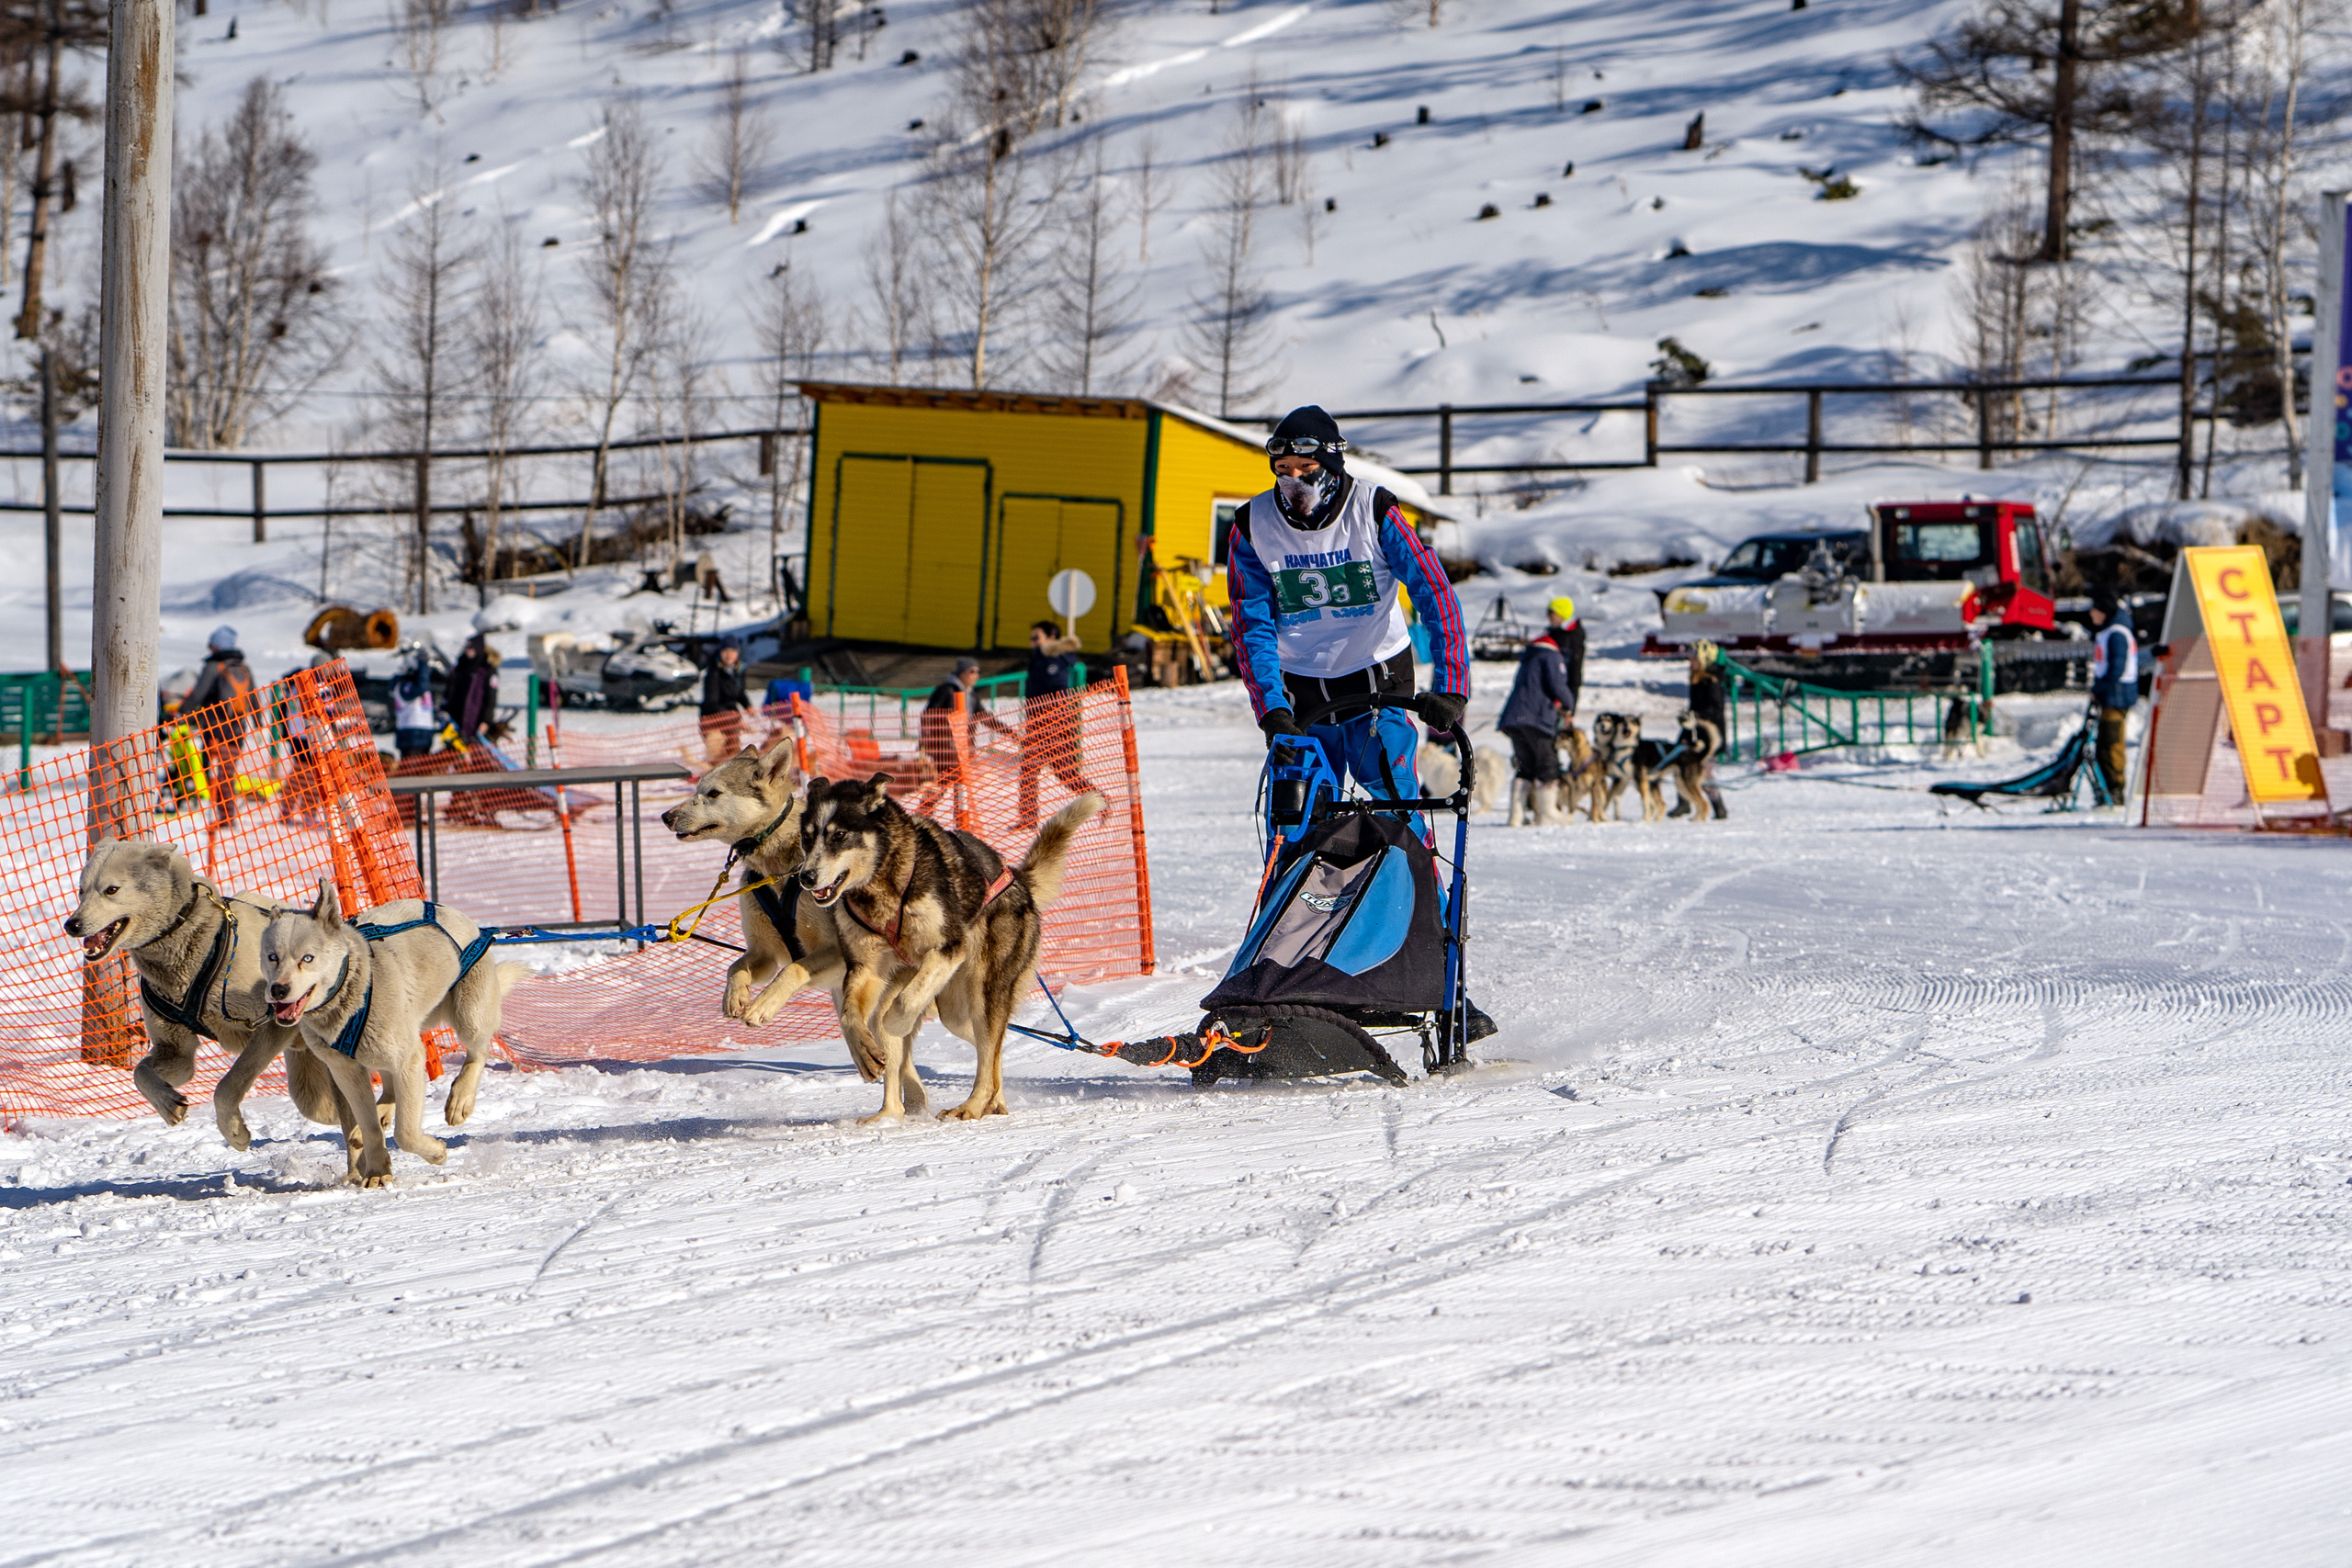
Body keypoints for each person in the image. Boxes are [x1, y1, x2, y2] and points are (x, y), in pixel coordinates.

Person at [1226, 404, 1471, 816]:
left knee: (1397, 806)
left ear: (1331, 466)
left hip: (1377, 674)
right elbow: (1252, 625)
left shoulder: (1373, 511)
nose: (1293, 478)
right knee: (1296, 818)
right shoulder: (1253, 525)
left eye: (1305, 467)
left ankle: (1411, 873)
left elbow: (1434, 592)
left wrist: (1451, 686)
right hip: (1299, 689)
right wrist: (1270, 708)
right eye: (1282, 468)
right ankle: (1301, 880)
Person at [1498, 597, 1577, 807]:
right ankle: (1547, 813)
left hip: (1514, 717)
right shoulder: (1551, 656)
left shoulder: (1531, 655)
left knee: (1525, 767)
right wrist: (1569, 706)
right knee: (1548, 766)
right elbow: (1558, 686)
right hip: (1537, 719)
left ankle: (1516, 815)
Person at [1018, 621, 1098, 830]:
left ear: (1051, 638)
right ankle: (1028, 819)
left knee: (1064, 773)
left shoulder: (1053, 659)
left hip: (1053, 725)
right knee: (1030, 770)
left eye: (1036, 637)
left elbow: (1057, 691)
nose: (1032, 642)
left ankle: (1100, 801)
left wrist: (1050, 723)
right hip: (1036, 723)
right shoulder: (1039, 659)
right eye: (1031, 638)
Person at [182, 625, 257, 819]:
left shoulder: (214, 667)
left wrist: (181, 712)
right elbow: (254, 699)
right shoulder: (243, 668)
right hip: (238, 729)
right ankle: (227, 814)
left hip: (215, 727)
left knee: (212, 771)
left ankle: (216, 816)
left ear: (217, 645)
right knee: (227, 772)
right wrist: (257, 722)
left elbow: (198, 694)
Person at [1670, 638, 1729, 820]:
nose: (1691, 660)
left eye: (1694, 657)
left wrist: (1697, 717)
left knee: (1705, 771)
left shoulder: (1712, 679)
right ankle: (1683, 803)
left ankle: (1718, 807)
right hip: (1694, 730)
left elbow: (1715, 709)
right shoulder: (1695, 676)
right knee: (1679, 760)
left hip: (1709, 734)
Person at [2088, 590, 2138, 804]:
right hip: (2111, 697)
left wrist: (2099, 688)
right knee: (2104, 745)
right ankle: (2108, 789)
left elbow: (2117, 667)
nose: (2091, 614)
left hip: (2116, 698)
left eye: (2095, 610)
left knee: (2111, 745)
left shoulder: (2116, 633)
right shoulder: (2112, 631)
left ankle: (2115, 790)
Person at [699, 639, 754, 761]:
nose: (729, 655)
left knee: (733, 750)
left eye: (732, 651)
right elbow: (711, 703)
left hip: (730, 719)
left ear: (737, 653)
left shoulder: (738, 671)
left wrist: (748, 706)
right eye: (725, 651)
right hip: (712, 720)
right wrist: (734, 718)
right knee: (719, 754)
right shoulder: (713, 674)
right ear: (720, 653)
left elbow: (740, 692)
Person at [445, 633, 501, 747]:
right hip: (457, 724)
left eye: (471, 647)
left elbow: (491, 699)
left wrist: (486, 721)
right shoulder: (459, 668)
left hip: (476, 723)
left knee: (477, 757)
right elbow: (450, 693)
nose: (467, 650)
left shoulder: (487, 670)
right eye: (466, 647)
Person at [390, 650, 439, 761]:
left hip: (423, 732)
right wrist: (422, 664)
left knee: (423, 768)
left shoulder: (417, 681)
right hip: (411, 732)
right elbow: (422, 687)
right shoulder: (403, 686)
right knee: (413, 769)